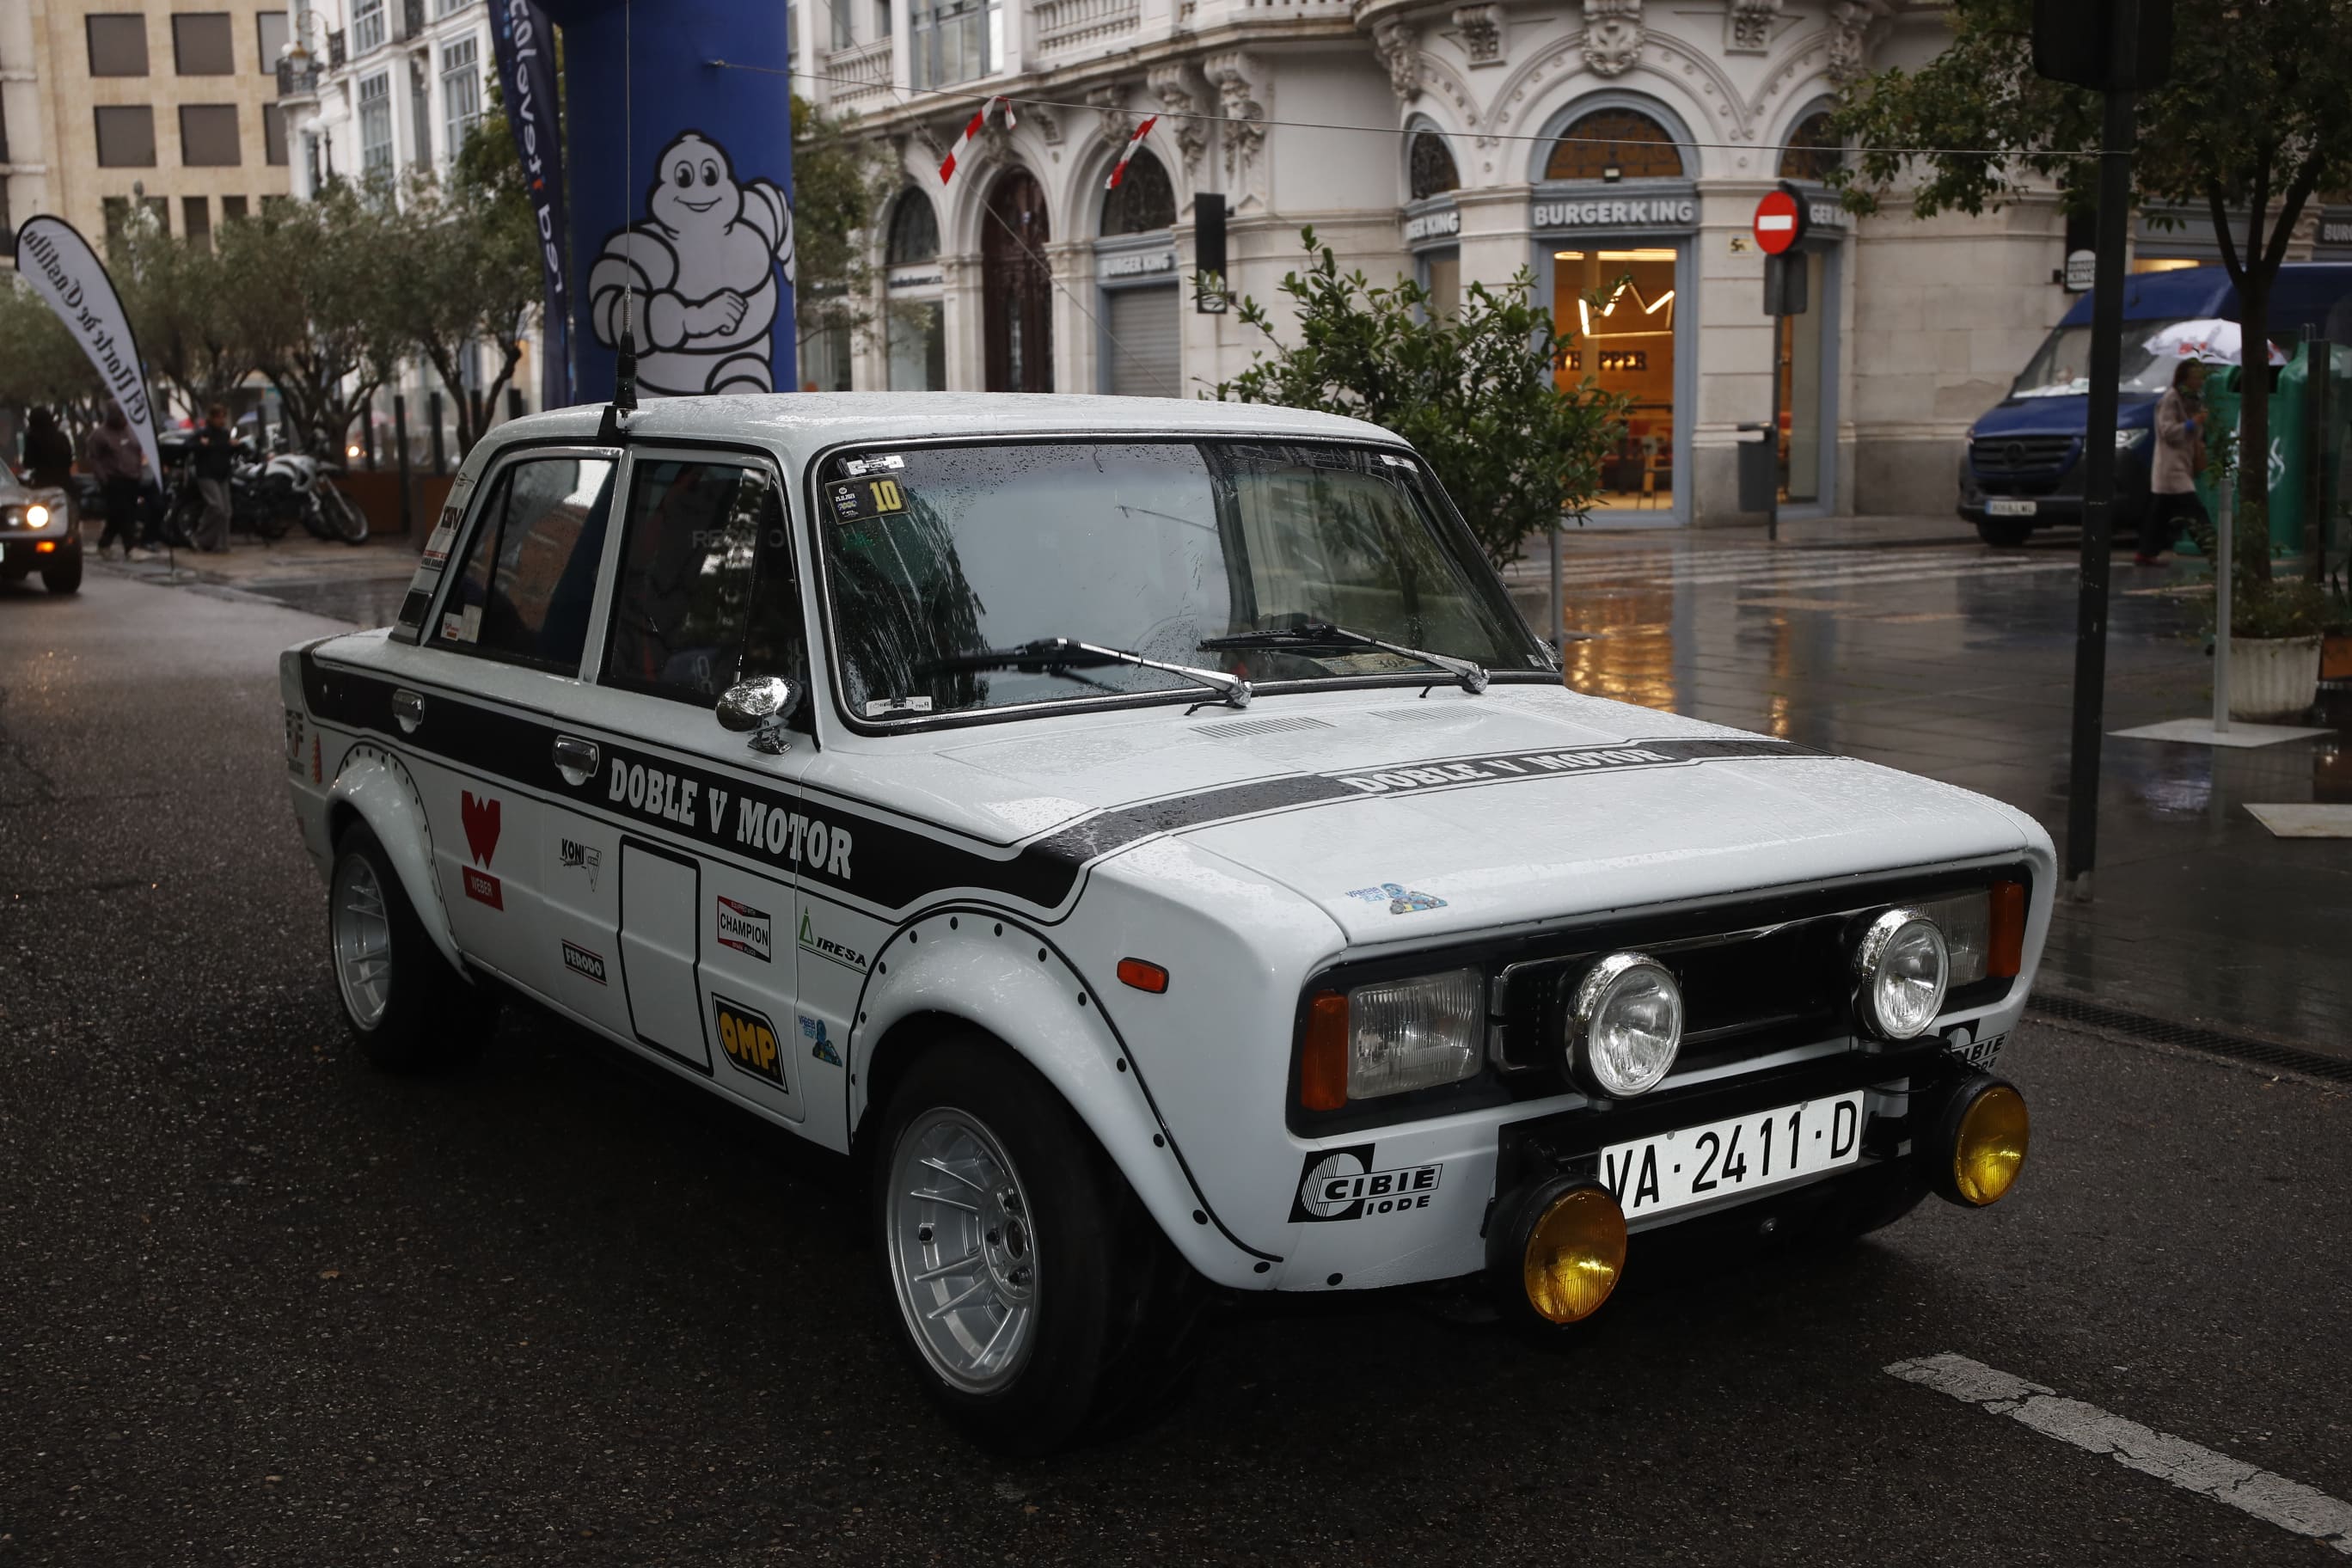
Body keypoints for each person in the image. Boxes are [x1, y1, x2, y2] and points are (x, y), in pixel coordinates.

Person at [2142, 359, 2209, 566]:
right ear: (2184, 379)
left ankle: (2146, 552)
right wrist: (2192, 423)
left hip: (2183, 463)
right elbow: (2167, 431)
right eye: (2195, 378)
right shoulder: (2171, 400)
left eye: (2200, 378)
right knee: (2194, 510)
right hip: (2171, 466)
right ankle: (2214, 548)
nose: (2198, 382)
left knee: (2159, 514)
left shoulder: (2193, 401)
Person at [86, 404, 152, 561]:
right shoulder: (100, 435)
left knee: (120, 514)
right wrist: (103, 478)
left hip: (133, 478)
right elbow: (93, 458)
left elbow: (139, 451)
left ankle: (104, 543)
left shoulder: (131, 431)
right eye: (119, 415)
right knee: (124, 513)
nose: (123, 419)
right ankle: (130, 547)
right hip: (114, 479)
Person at [193, 403, 236, 553]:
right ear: (212, 418)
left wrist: (233, 446)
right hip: (207, 474)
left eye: (223, 417)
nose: (221, 420)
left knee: (226, 511)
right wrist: (202, 445)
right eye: (219, 417)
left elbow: (227, 451)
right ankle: (201, 537)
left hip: (222, 474)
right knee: (217, 507)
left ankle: (222, 544)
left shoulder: (225, 434)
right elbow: (190, 446)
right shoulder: (203, 433)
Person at [23, 407, 76, 490]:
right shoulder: (62, 437)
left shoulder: (32, 439)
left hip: (43, 486)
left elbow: (27, 463)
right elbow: (69, 460)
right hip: (65, 484)